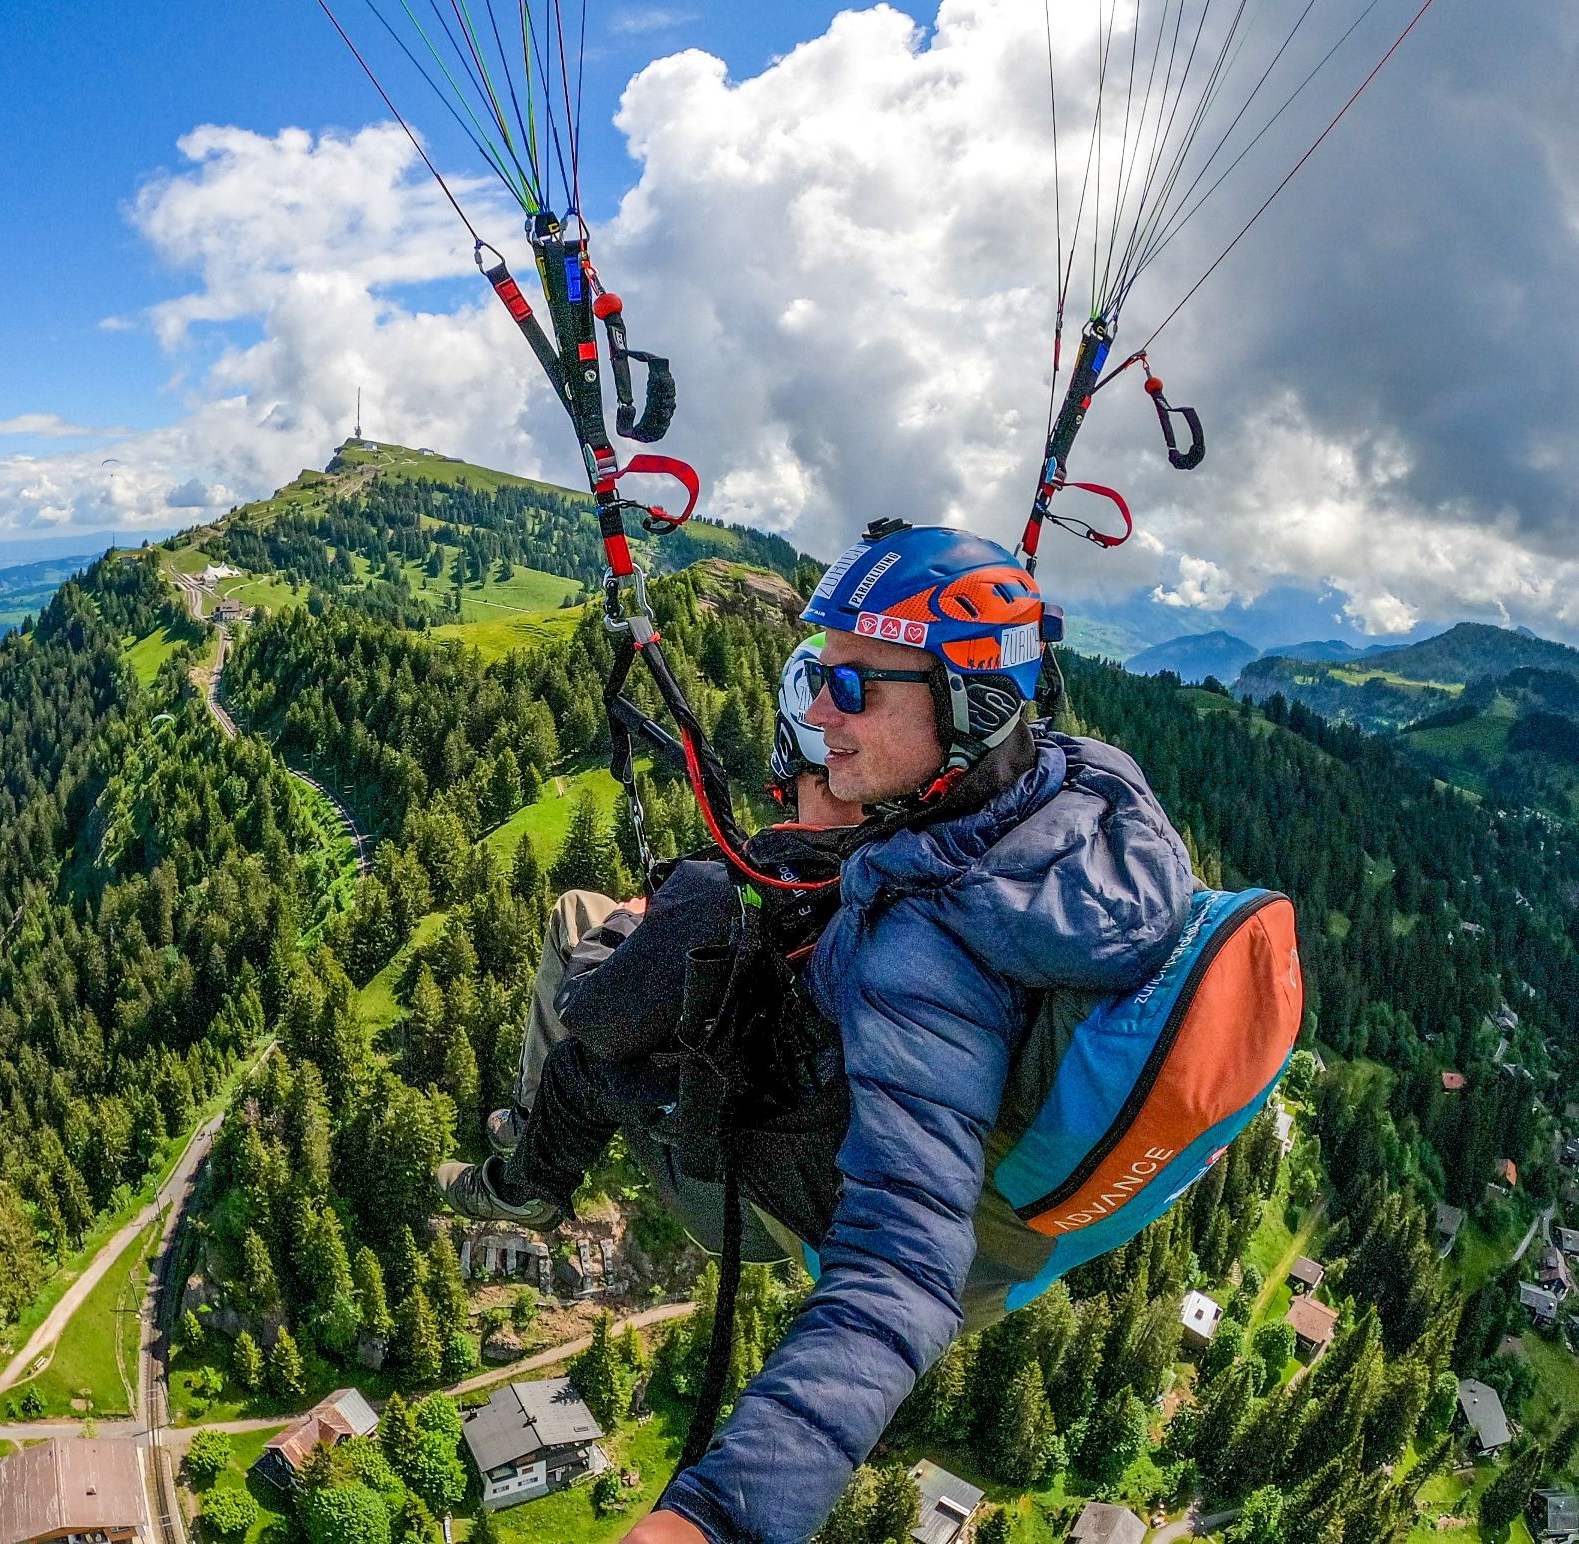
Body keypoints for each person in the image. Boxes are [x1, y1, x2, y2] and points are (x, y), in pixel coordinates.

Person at [619, 523, 1196, 1544]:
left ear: (970, 704)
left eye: (851, 687)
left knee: (599, 1019)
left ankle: (516, 1177)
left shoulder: (923, 943)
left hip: (840, 1199)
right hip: (1007, 1220)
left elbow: (900, 1268)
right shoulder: (1089, 785)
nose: (818, 717)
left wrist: (716, 1517)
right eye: (817, 679)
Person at [434, 630, 864, 1242]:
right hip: (832, 1166)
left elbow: (589, 1012)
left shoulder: (734, 897)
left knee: (578, 927)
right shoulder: (896, 872)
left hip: (737, 1191)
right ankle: (532, 1126)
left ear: (790, 751)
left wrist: (629, 924)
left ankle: (527, 1182)